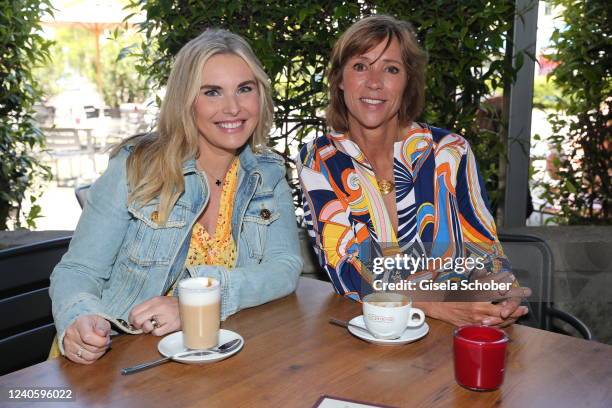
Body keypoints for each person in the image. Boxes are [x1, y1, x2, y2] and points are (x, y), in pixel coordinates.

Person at [49, 29, 303, 364]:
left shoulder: (267, 172)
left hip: (217, 354)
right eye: (212, 92)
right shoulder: (136, 166)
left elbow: (284, 268)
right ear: (185, 100)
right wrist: (77, 319)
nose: (233, 107)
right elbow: (79, 270)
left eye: (245, 89)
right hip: (118, 360)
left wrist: (199, 299)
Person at [297, 15, 530, 328]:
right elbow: (346, 268)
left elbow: (483, 250)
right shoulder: (320, 159)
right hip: (370, 330)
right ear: (339, 79)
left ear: (407, 82)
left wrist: (501, 291)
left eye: (391, 69)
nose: (375, 82)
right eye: (361, 66)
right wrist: (436, 305)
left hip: (459, 328)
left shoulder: (450, 151)